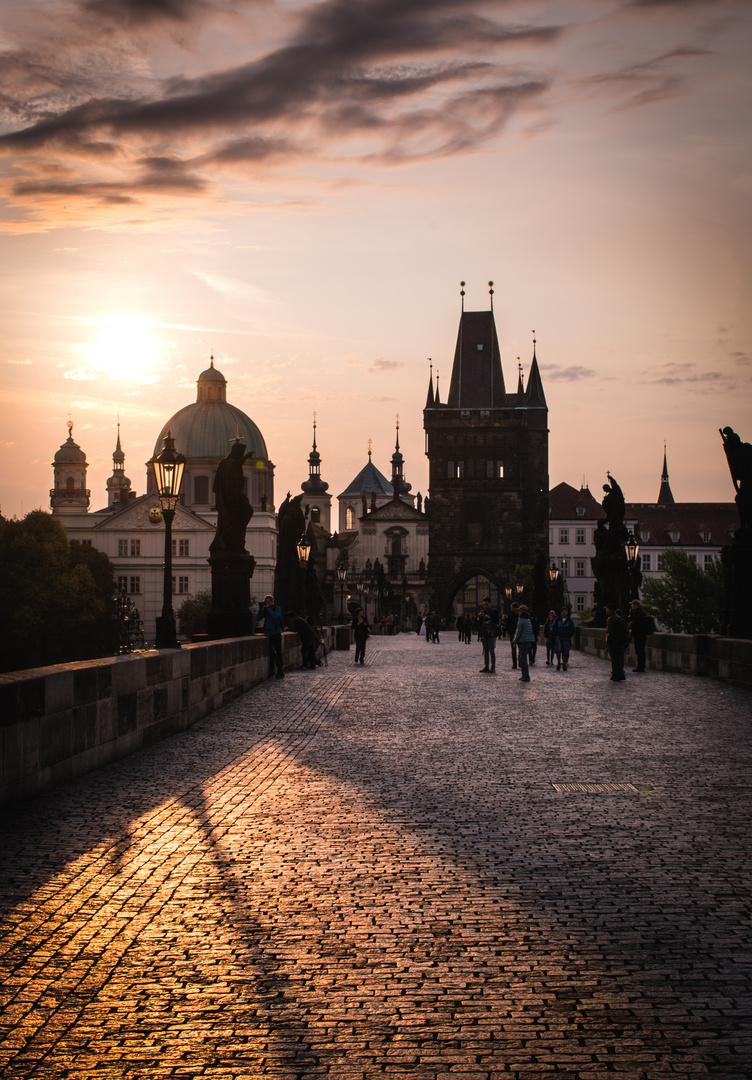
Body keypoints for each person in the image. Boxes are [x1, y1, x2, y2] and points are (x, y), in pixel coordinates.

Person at [260, 594, 284, 678]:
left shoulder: (277, 608)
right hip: (269, 633)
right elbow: (258, 618)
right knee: (271, 654)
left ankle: (280, 670)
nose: (267, 603)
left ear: (272, 602)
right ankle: (271, 671)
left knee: (278, 652)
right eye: (266, 602)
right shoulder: (266, 609)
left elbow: (275, 616)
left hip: (276, 633)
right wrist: (261, 609)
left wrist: (268, 609)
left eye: (268, 602)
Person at [628, 599, 654, 672]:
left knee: (639, 651)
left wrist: (631, 624)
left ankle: (640, 667)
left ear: (635, 605)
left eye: (632, 604)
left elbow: (637, 624)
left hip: (639, 635)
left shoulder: (637, 613)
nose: (631, 606)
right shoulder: (642, 612)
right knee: (641, 651)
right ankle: (641, 666)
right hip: (642, 635)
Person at [605, 602, 628, 681]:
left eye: (607, 609)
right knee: (619, 659)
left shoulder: (611, 619)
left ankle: (616, 674)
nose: (606, 611)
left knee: (615, 659)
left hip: (614, 642)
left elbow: (610, 632)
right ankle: (620, 674)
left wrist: (608, 642)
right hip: (619, 641)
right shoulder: (618, 618)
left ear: (610, 610)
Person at [513, 604, 536, 682]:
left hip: (523, 642)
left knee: (523, 659)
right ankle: (524, 675)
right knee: (522, 659)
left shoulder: (521, 621)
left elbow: (518, 632)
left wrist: (515, 641)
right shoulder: (528, 620)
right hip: (529, 642)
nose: (518, 612)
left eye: (519, 611)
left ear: (522, 612)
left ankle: (526, 675)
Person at [477, 597, 500, 674]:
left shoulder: (494, 612)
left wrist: (489, 617)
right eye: (484, 604)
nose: (485, 606)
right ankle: (486, 666)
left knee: (491, 651)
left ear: (490, 604)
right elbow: (478, 624)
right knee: (485, 651)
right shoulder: (482, 612)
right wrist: (479, 618)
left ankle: (493, 667)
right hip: (484, 634)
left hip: (492, 633)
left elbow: (497, 620)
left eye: (486, 604)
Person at [551, 606, 575, 671]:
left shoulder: (569, 620)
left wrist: (568, 634)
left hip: (566, 637)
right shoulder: (558, 619)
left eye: (565, 611)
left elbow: (573, 629)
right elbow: (553, 627)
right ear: (561, 612)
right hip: (559, 636)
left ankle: (564, 664)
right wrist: (556, 633)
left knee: (565, 651)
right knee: (558, 650)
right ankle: (559, 663)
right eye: (563, 611)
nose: (564, 613)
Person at [507, 602, 520, 669]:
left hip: (519, 634)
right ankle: (514, 664)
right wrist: (509, 633)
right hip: (512, 634)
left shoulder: (519, 616)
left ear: (515, 608)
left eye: (511, 607)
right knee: (513, 649)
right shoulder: (510, 616)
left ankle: (520, 661)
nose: (510, 608)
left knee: (520, 649)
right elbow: (508, 625)